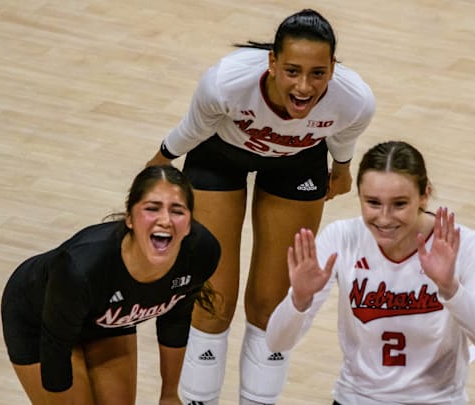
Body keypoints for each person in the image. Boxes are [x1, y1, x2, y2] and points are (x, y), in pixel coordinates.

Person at [145, 8, 376, 405]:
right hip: (219, 157)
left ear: (333, 68)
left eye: (318, 73)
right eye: (292, 71)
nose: (304, 87)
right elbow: (192, 130)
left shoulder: (355, 100)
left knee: (272, 304)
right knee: (213, 299)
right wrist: (160, 164)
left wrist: (342, 169)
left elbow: (341, 133)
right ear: (272, 62)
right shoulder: (226, 83)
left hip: (297, 164)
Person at [266, 141, 475, 404]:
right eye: (373, 203)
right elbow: (276, 343)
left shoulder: (466, 245)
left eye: (399, 204)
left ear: (425, 194)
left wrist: (451, 289)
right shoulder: (341, 239)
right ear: (359, 197)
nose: (385, 218)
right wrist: (298, 300)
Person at [1, 165, 221, 405]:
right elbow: (56, 352)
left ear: (189, 223)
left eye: (177, 210)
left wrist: (169, 394)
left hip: (107, 320)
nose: (165, 220)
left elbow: (175, 319)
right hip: (39, 319)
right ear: (129, 218)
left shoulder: (201, 252)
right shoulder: (81, 268)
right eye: (152, 208)